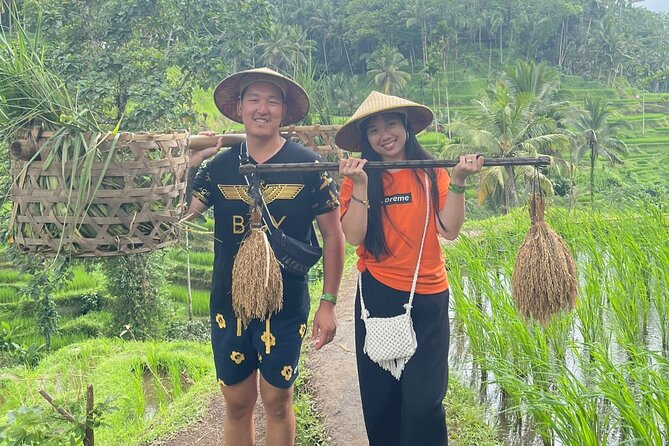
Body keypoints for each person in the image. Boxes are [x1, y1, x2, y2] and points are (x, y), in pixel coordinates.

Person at [185, 67, 345, 446]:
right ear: (239, 107)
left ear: (283, 111)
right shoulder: (219, 167)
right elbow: (186, 212)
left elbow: (334, 236)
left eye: (272, 101)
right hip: (228, 299)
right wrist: (190, 165)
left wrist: (328, 303)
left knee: (277, 401)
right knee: (237, 403)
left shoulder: (308, 166)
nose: (263, 108)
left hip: (287, 301)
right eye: (254, 99)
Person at [334, 91, 483, 446]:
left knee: (424, 402)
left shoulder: (430, 173)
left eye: (391, 124)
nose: (384, 134)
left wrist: (458, 180)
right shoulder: (358, 178)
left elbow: (449, 229)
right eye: (373, 130)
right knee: (382, 400)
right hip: (378, 296)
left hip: (428, 294)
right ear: (365, 139)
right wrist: (361, 187)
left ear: (405, 126)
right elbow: (354, 235)